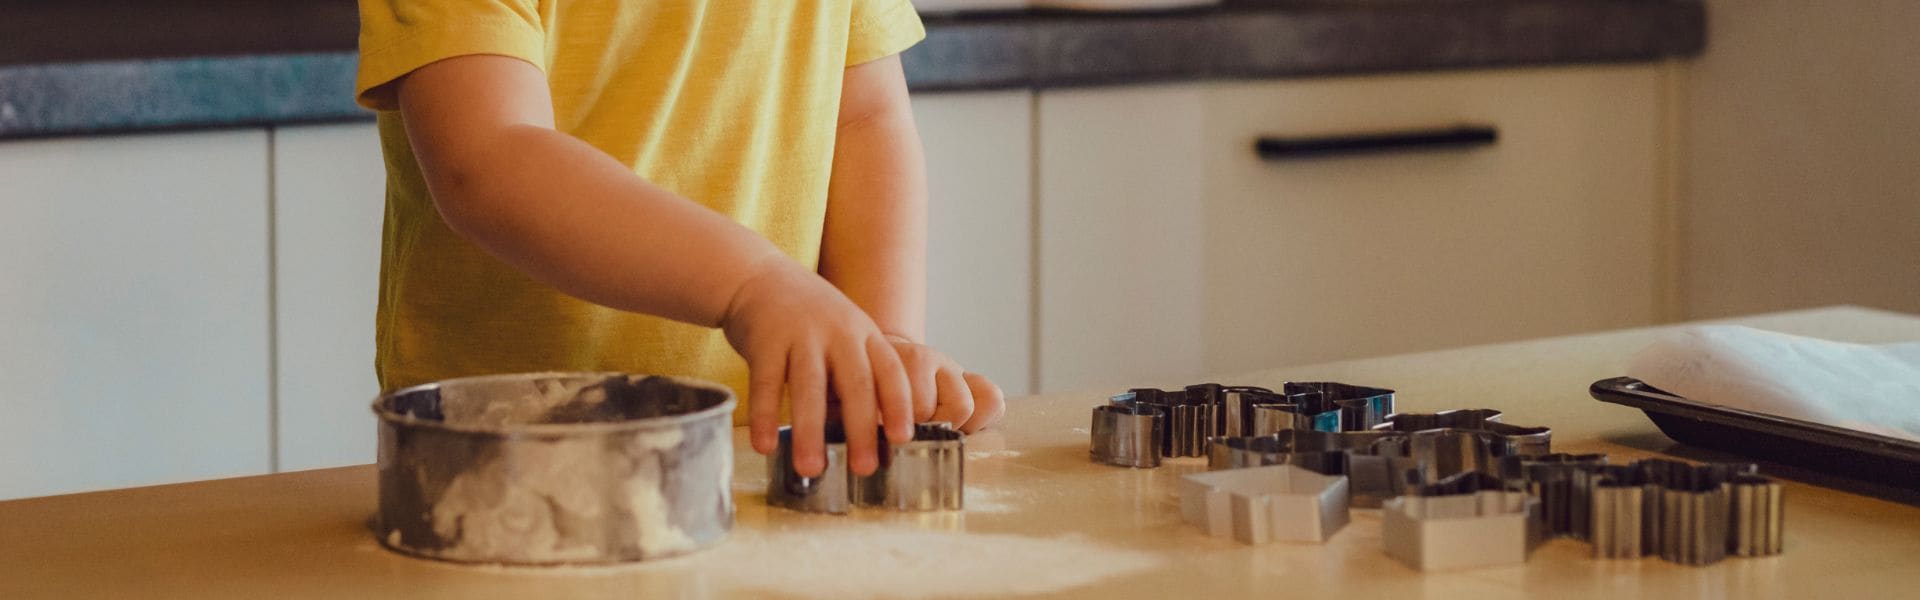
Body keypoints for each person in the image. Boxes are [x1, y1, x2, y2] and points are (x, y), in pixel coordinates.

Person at [353, 0, 1005, 477]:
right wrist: (752, 284)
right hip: (504, 461)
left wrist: (878, 344)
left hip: (769, 448)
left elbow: (864, 117)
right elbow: (486, 159)